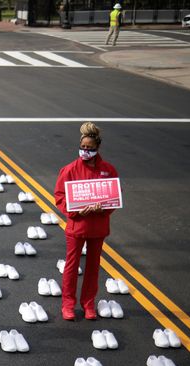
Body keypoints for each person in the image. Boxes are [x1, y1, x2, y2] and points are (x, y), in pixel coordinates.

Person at [54, 122, 119, 321]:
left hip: (98, 227)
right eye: (83, 147)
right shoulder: (69, 169)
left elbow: (114, 197)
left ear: (97, 148)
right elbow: (59, 196)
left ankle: (89, 304)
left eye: (90, 148)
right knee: (72, 266)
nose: (85, 151)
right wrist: (75, 211)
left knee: (93, 266)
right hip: (77, 225)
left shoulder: (108, 169)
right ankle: (68, 305)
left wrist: (104, 208)